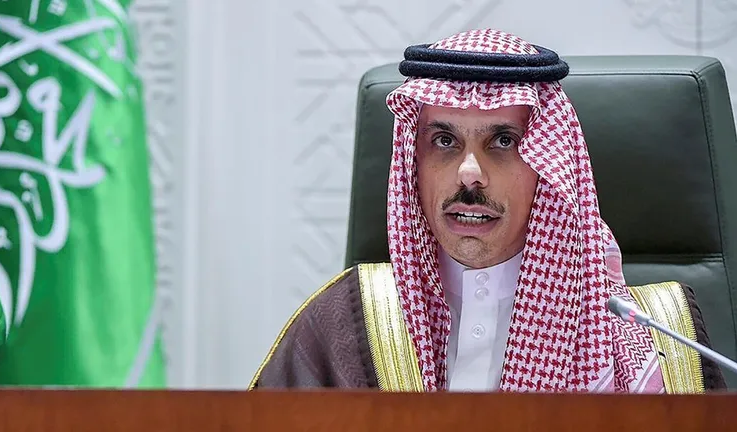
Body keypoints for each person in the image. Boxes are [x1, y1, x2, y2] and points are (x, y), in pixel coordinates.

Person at [249, 28, 726, 392]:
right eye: (444, 141)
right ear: (414, 164)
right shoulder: (342, 326)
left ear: (547, 166)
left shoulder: (660, 342)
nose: (469, 174)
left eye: (503, 141)